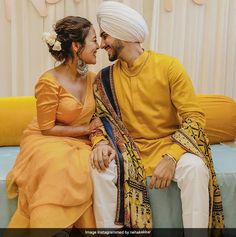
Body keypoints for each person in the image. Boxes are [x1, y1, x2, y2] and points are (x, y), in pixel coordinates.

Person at [90, 1, 224, 229]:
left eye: (105, 36)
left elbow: (194, 117)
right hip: (129, 152)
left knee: (195, 168)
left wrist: (171, 157)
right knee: (98, 169)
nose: (102, 45)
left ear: (124, 34)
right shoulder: (104, 79)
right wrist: (100, 142)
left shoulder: (169, 67)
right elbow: (99, 119)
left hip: (169, 147)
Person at [6, 16, 103, 230]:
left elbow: (102, 116)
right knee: (57, 163)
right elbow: (47, 127)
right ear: (76, 46)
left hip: (81, 140)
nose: (100, 46)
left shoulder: (94, 79)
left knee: (88, 165)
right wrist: (86, 128)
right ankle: (56, 228)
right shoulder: (48, 81)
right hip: (48, 137)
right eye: (94, 40)